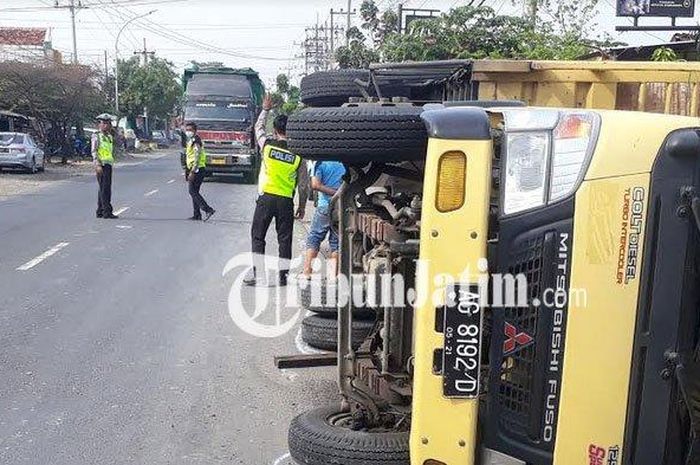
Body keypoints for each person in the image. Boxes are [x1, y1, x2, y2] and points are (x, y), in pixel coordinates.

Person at [244, 95, 309, 287]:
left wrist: (265, 110)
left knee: (258, 237)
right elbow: (303, 184)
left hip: (266, 199)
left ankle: (259, 276)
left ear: (276, 130)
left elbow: (258, 129)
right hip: (285, 201)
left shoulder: (267, 146)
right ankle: (283, 277)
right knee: (284, 240)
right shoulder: (298, 154)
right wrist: (302, 205)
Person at [302, 161, 346, 277]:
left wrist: (334, 193)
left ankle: (307, 273)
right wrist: (339, 194)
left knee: (314, 238)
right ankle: (333, 276)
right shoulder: (344, 163)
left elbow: (315, 185)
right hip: (341, 207)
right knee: (335, 243)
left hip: (325, 206)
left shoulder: (320, 163)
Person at [183, 122, 216, 222]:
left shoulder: (196, 141)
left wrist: (192, 171)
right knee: (195, 191)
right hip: (195, 168)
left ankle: (208, 209)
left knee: (192, 191)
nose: (188, 131)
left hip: (197, 169)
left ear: (195, 131)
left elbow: (197, 157)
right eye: (187, 129)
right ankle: (197, 214)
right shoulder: (191, 140)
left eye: (190, 130)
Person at [92, 114, 118, 219]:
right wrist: (97, 164)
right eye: (104, 123)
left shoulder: (109, 136)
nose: (106, 125)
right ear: (100, 124)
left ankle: (100, 211)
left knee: (103, 188)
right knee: (105, 189)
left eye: (108, 123)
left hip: (108, 164)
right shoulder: (96, 136)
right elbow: (94, 151)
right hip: (101, 164)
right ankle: (107, 211)